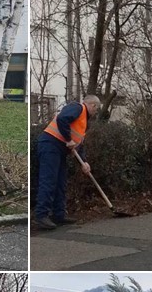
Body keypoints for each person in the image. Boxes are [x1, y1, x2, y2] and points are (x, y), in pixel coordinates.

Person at [33, 95, 101, 230]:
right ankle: (41, 215)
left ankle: (59, 215)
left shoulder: (84, 122)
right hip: (50, 145)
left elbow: (79, 144)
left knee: (61, 182)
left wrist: (84, 162)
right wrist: (68, 139)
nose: (95, 112)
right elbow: (62, 119)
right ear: (93, 105)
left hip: (60, 149)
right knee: (49, 180)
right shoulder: (77, 108)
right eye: (96, 109)